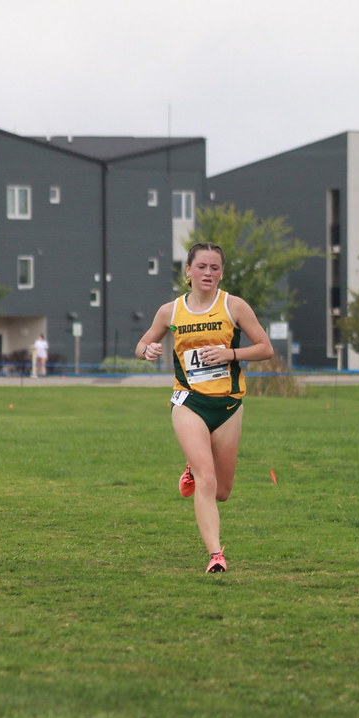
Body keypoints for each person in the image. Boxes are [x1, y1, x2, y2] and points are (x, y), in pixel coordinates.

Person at [135, 242, 274, 573]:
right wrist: (147, 351)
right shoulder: (170, 311)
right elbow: (142, 343)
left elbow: (265, 347)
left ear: (222, 273)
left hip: (227, 405)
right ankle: (216, 554)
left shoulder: (234, 306)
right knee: (207, 479)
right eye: (201, 267)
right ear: (188, 271)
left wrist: (231, 354)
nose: (208, 273)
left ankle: (192, 467)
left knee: (222, 491)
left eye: (214, 268)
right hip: (189, 401)